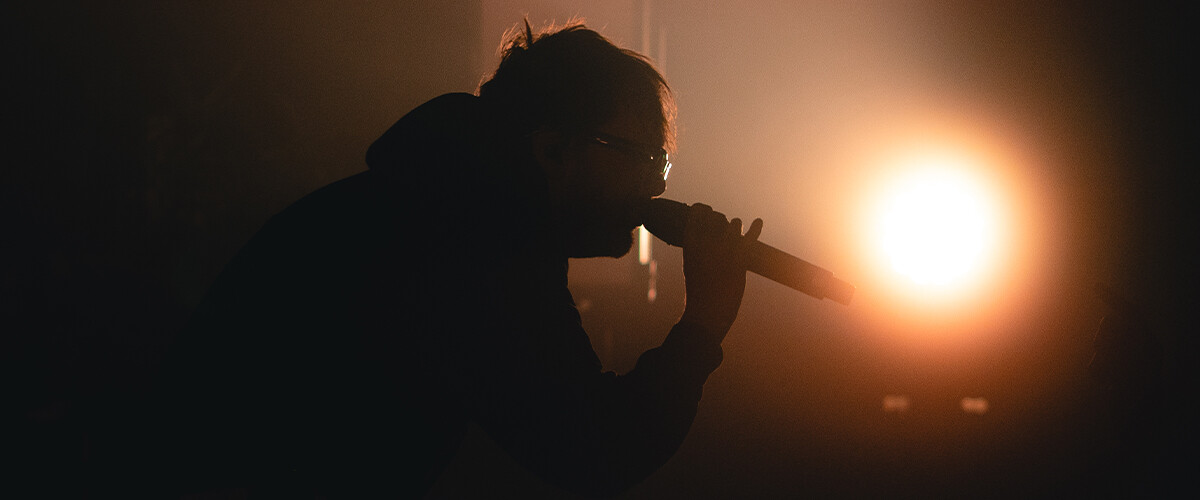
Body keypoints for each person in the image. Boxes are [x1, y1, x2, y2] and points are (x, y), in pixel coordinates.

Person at [148, 21, 762, 499]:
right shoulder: (478, 234)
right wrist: (703, 323)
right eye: (640, 157)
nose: (655, 186)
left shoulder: (443, 199)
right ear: (553, 149)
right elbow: (594, 449)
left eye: (662, 164)